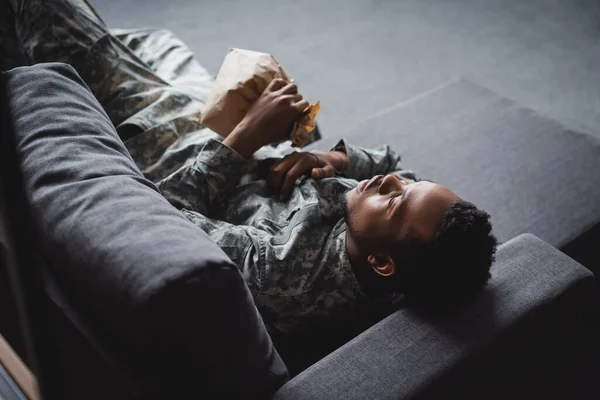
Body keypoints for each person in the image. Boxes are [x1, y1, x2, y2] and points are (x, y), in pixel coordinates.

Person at [1, 0, 498, 334]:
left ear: (383, 263)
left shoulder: (282, 272)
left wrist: (245, 138)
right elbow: (393, 162)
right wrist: (329, 157)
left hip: (164, 141)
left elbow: (167, 213)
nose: (392, 181)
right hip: (212, 127)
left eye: (395, 199)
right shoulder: (386, 251)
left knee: (44, 11)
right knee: (150, 38)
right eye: (410, 185)